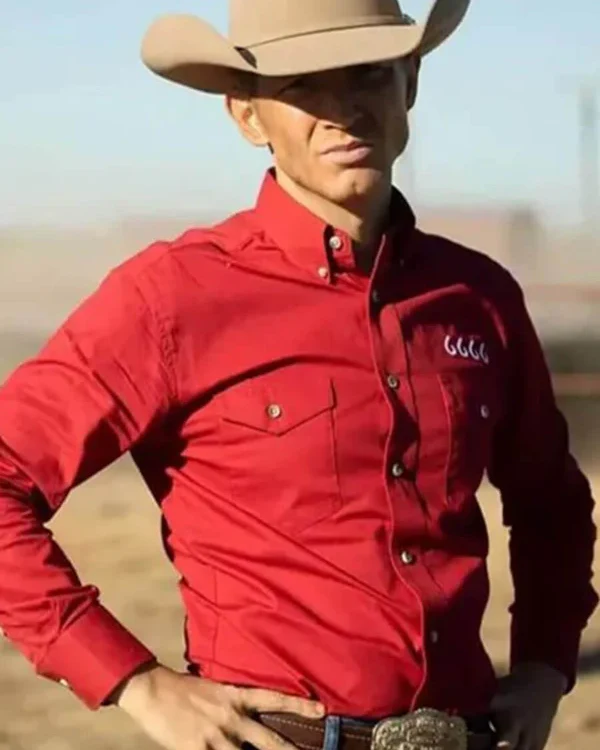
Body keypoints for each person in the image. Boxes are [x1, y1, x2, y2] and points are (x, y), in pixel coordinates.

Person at [0, 1, 596, 749]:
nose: (343, 109)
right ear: (248, 115)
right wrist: (135, 681)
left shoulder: (479, 298)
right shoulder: (173, 299)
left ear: (409, 83)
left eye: (368, 73)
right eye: (303, 85)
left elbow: (551, 503)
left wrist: (545, 666)